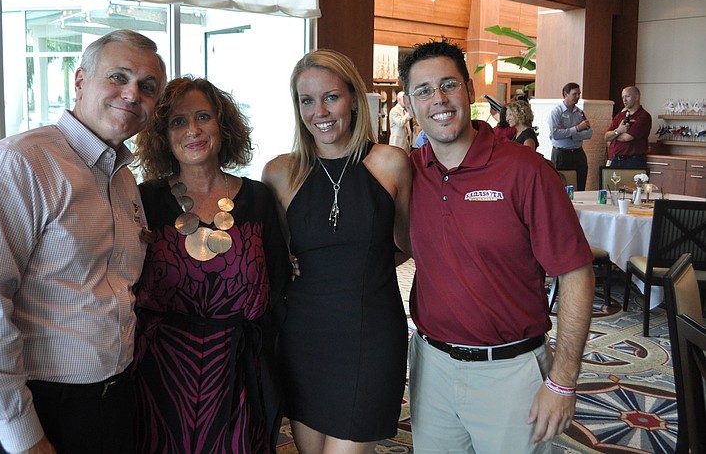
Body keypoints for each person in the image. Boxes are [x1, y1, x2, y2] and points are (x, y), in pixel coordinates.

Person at [0, 30, 166, 454]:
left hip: (107, 403)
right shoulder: (18, 164)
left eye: (147, 86)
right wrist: (23, 436)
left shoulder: (123, 179)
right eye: (118, 77)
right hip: (36, 408)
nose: (132, 94)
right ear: (80, 81)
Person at [398, 38, 595, 453]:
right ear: (409, 104)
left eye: (449, 85)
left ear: (470, 91)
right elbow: (395, 246)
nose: (439, 100)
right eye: (424, 91)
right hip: (430, 367)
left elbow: (576, 274)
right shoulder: (411, 173)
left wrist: (562, 380)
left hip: (511, 372)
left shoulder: (526, 170)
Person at [262, 49, 411, 453]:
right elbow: (276, 256)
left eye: (331, 97)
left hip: (370, 334)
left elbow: (406, 245)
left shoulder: (390, 163)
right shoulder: (280, 172)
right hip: (304, 336)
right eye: (307, 100)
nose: (319, 111)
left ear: (353, 98)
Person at [131, 77, 290, 453]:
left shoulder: (259, 198)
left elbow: (280, 284)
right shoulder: (145, 199)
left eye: (203, 117)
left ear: (224, 126)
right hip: (161, 375)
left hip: (240, 375)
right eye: (178, 122)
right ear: (162, 135)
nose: (194, 130)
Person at [548, 82, 593, 190]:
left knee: (580, 186)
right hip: (561, 154)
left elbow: (589, 133)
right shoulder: (556, 112)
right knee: (560, 187)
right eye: (574, 94)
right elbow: (556, 134)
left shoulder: (580, 113)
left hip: (578, 153)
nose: (577, 97)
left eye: (579, 94)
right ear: (565, 94)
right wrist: (577, 129)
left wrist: (569, 133)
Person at [604, 86, 652, 169]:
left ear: (636, 97)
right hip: (616, 159)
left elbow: (627, 137)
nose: (624, 100)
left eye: (627, 96)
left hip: (634, 161)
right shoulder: (620, 115)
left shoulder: (644, 116)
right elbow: (606, 137)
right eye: (623, 97)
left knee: (632, 183)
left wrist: (614, 136)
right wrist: (618, 131)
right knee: (612, 182)